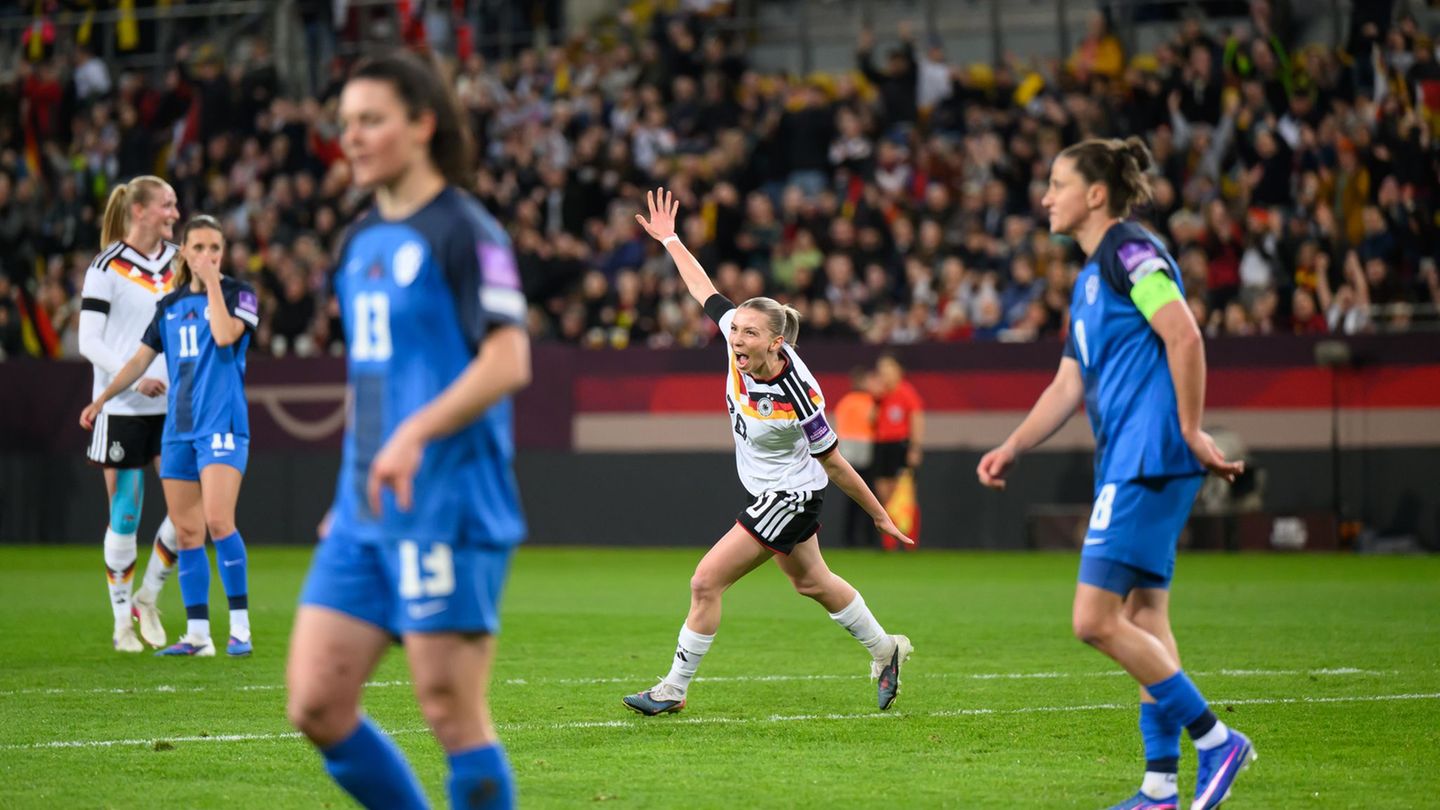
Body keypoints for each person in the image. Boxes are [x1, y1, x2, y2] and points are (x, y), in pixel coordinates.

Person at [976, 137, 1254, 810]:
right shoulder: (1090, 278)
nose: (1045, 196)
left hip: (1148, 456)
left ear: (1095, 194)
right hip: (1132, 459)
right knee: (1145, 617)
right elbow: (1067, 385)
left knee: (1093, 621)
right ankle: (1160, 787)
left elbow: (1183, 333)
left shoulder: (1131, 251)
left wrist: (1188, 430)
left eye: (1057, 182)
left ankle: (1217, 741)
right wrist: (1012, 445)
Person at [284, 51, 531, 810]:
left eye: (372, 120)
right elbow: (371, 385)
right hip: (368, 508)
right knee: (317, 703)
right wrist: (356, 481)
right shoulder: (357, 244)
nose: (351, 137)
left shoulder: (467, 231)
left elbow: (508, 358)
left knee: (449, 711)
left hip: (449, 503)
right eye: (346, 122)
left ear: (422, 126)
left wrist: (414, 434)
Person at [623, 188, 915, 717]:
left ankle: (672, 689)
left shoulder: (798, 393)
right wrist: (669, 239)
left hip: (792, 496)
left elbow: (835, 463)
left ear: (776, 343)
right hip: (773, 490)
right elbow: (703, 288)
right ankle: (885, 648)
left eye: (749, 332)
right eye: (735, 328)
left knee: (705, 580)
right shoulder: (737, 343)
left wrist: (880, 515)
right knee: (811, 581)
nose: (736, 338)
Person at [82, 215, 260, 658]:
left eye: (214, 249)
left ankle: (241, 626)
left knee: (219, 521)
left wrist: (213, 283)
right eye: (197, 248)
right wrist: (102, 397)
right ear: (184, 252)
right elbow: (139, 362)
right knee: (187, 530)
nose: (206, 256)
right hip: (179, 431)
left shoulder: (241, 296)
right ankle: (198, 635)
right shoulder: (170, 307)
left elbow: (222, 335)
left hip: (222, 425)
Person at [77, 175, 182, 652]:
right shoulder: (105, 267)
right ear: (139, 211)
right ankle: (122, 624)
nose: (175, 214)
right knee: (128, 508)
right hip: (122, 403)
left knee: (187, 512)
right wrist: (134, 377)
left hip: (174, 404)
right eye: (168, 205)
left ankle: (148, 596)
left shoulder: (180, 262)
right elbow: (88, 341)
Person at [872, 352, 924, 550]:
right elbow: (871, 420)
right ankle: (890, 542)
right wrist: (876, 400)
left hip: (900, 445)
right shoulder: (880, 395)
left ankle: (910, 540)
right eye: (881, 368)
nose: (884, 372)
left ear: (898, 370)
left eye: (887, 367)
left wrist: (915, 447)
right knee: (883, 492)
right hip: (881, 444)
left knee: (903, 494)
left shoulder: (906, 392)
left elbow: (916, 418)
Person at [833, 365, 880, 547]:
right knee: (868, 496)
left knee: (852, 499)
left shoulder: (845, 401)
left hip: (847, 453)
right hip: (864, 452)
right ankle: (868, 539)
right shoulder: (868, 401)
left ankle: (850, 539)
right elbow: (872, 420)